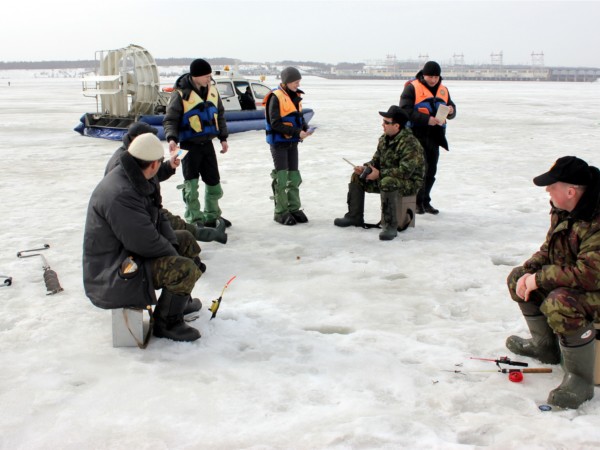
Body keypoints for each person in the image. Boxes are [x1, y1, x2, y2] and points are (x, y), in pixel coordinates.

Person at [83, 133, 203, 342]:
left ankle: (179, 301)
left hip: (128, 252)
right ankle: (167, 323)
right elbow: (144, 242)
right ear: (154, 164)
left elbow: (158, 216)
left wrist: (174, 246)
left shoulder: (139, 176)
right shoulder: (121, 193)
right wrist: (175, 258)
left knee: (184, 239)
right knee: (184, 269)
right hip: (113, 271)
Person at [505, 156, 600, 409]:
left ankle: (580, 380)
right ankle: (545, 347)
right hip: (583, 282)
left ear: (570, 191)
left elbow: (590, 274)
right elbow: (550, 250)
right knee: (517, 277)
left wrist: (540, 278)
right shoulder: (564, 209)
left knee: (560, 301)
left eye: (552, 186)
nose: (547, 191)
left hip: (595, 285)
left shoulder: (597, 220)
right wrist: (530, 271)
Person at [105, 122, 227, 245]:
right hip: (134, 216)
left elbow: (149, 175)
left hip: (145, 209)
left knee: (178, 227)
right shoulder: (122, 163)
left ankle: (212, 234)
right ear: (138, 139)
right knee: (177, 234)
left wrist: (169, 165)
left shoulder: (135, 155)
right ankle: (208, 236)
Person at [334, 106, 425, 241]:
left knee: (387, 182)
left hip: (410, 182)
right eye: (383, 121)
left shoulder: (410, 143)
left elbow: (405, 172)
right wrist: (365, 168)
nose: (382, 125)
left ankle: (390, 226)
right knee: (357, 177)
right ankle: (354, 216)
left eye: (386, 122)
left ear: (396, 126)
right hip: (387, 178)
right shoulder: (384, 139)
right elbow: (376, 160)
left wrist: (380, 174)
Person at [163, 58, 231, 228]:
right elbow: (170, 120)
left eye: (210, 76)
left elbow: (220, 115)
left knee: (213, 181)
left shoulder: (213, 91)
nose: (209, 79)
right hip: (187, 145)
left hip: (207, 144)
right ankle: (194, 218)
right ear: (196, 76)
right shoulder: (180, 94)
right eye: (206, 76)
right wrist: (172, 139)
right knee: (191, 184)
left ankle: (212, 215)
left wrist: (223, 138)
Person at [399, 61, 456, 215]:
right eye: (430, 76)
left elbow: (452, 109)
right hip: (416, 134)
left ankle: (425, 201)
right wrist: (426, 119)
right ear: (424, 75)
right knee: (420, 170)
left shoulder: (443, 90)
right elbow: (405, 110)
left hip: (435, 136)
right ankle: (417, 202)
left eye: (436, 77)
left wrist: (451, 111)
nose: (433, 80)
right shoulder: (412, 88)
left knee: (431, 171)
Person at [263, 66, 313, 225]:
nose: (297, 84)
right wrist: (297, 133)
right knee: (282, 177)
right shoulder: (275, 97)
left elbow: (298, 117)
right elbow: (275, 123)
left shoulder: (295, 96)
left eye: (299, 81)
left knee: (294, 176)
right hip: (279, 143)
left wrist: (305, 128)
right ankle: (281, 211)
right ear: (286, 82)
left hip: (292, 142)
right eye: (295, 82)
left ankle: (294, 208)